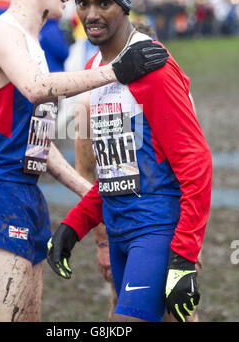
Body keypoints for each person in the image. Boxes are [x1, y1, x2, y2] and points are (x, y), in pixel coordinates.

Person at [0, 0, 169, 322]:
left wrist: (93, 198)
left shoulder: (33, 46)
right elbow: (37, 89)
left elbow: (38, 148)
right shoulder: (0, 32)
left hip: (26, 195)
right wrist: (115, 71)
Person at [47, 0, 212, 323]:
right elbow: (113, 173)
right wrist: (74, 227)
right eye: (84, 3)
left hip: (155, 232)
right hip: (122, 234)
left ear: (124, 6)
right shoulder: (94, 71)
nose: (91, 14)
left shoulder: (152, 67)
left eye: (103, 3)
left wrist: (185, 253)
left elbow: (195, 162)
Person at [74, 20, 202, 322]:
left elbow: (192, 172)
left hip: (163, 222)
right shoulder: (88, 101)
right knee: (123, 303)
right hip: (121, 223)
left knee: (180, 308)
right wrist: (102, 243)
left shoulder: (175, 92)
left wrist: (191, 247)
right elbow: (86, 173)